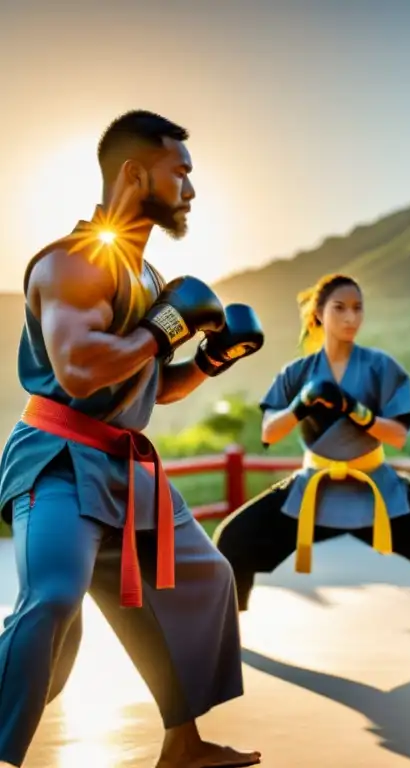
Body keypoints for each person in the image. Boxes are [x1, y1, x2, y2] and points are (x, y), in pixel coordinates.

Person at [0, 110, 264, 768]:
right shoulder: (72, 262)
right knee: (55, 600)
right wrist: (167, 329)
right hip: (58, 462)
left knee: (204, 580)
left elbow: (148, 387)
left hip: (124, 466)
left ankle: (185, 743)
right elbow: (82, 368)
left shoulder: (149, 279)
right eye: (181, 173)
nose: (192, 190)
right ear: (135, 174)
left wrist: (210, 360)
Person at [213, 272, 410, 639]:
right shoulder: (297, 373)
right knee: (233, 537)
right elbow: (269, 431)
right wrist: (301, 404)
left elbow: (398, 435)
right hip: (314, 491)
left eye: (358, 308)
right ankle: (225, 639)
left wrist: (354, 409)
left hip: (375, 490)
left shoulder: (381, 368)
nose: (351, 317)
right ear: (319, 314)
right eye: (340, 308)